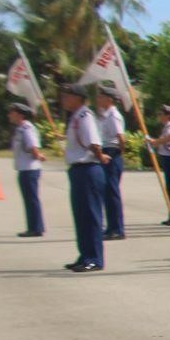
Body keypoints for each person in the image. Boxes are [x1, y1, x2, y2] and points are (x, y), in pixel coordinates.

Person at [59, 84, 108, 271]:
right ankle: (85, 255)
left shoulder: (84, 116)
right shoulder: (75, 117)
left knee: (90, 215)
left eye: (67, 96)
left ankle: (94, 258)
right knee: (81, 216)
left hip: (88, 169)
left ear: (78, 97)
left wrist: (100, 156)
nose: (64, 99)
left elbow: (93, 143)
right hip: (78, 170)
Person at [94, 87, 127, 239]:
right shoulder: (106, 115)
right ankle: (111, 227)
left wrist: (119, 153)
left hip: (112, 152)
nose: (98, 99)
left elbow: (121, 138)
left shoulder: (113, 115)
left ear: (110, 99)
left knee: (112, 193)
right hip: (107, 150)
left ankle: (117, 229)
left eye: (101, 97)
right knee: (107, 192)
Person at [8, 103, 44, 237]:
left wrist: (38, 155)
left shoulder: (27, 128)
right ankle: (33, 226)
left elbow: (32, 146)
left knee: (31, 199)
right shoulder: (20, 128)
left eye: (12, 112)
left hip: (29, 169)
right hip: (24, 169)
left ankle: (36, 228)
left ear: (20, 115)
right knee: (29, 199)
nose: (9, 115)